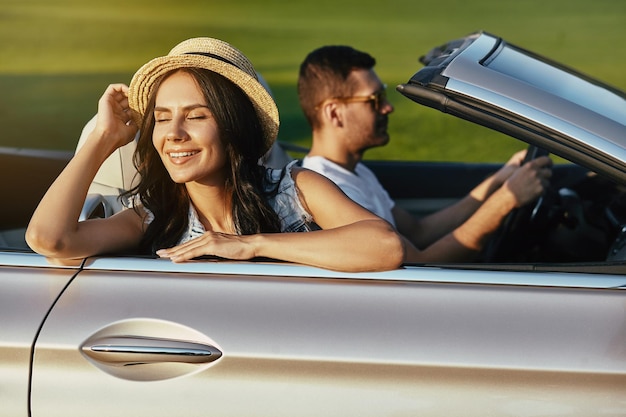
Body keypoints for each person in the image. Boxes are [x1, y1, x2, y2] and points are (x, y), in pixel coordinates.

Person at [26, 37, 404, 272]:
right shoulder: (152, 218)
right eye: (161, 119)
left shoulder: (295, 188)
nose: (173, 134)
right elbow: (49, 240)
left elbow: (384, 246)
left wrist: (250, 245)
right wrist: (102, 139)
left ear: (233, 126)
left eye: (195, 116)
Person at [297, 45, 553, 262]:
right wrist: (506, 201)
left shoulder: (353, 172)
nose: (388, 108)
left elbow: (419, 232)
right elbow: (420, 262)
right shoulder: (330, 190)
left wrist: (499, 180)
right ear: (334, 113)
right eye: (374, 100)